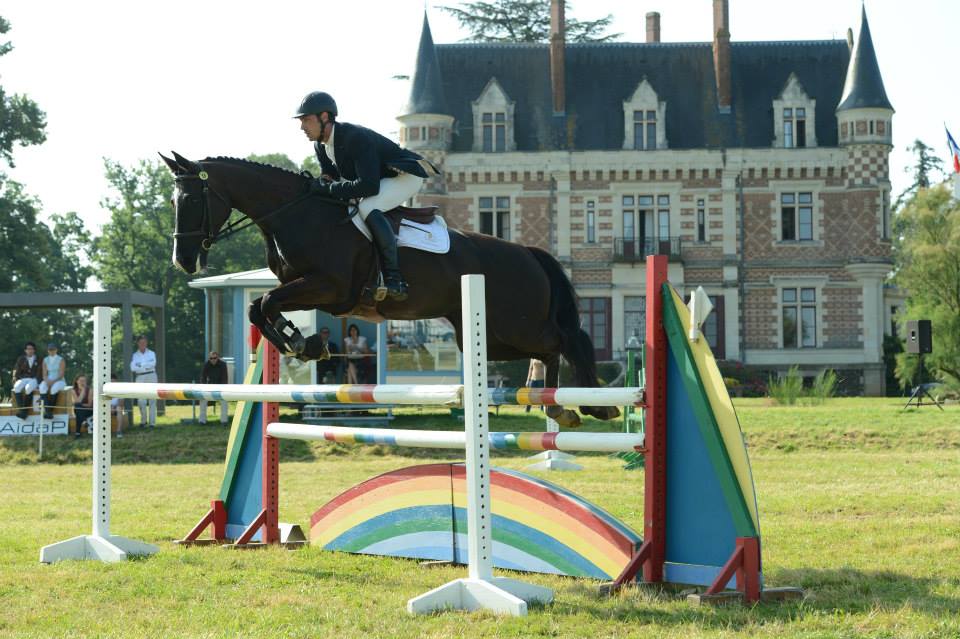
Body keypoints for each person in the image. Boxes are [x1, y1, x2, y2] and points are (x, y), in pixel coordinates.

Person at [294, 91, 440, 302]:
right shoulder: (320, 145)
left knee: (368, 207)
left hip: (405, 176)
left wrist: (328, 189)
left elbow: (368, 187)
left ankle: (394, 278)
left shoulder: (355, 138)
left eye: (306, 120)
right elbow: (333, 178)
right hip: (379, 179)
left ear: (324, 117)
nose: (302, 127)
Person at [130, 335, 157, 428]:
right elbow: (133, 368)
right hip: (140, 377)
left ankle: (152, 423)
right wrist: (146, 365)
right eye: (141, 342)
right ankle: (143, 421)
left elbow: (153, 364)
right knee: (141, 400)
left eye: (144, 342)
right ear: (138, 343)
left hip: (151, 375)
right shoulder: (135, 355)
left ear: (146, 343)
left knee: (152, 399)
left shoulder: (152, 353)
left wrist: (140, 365)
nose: (143, 344)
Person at [12, 341, 41, 419]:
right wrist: (14, 377)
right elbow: (16, 369)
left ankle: (23, 412)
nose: (30, 350)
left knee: (28, 388)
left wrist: (39, 380)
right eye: (28, 349)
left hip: (34, 379)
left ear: (34, 350)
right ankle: (23, 411)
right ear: (25, 350)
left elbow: (40, 371)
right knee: (16, 387)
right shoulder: (21, 358)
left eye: (31, 349)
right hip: (23, 378)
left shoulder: (39, 359)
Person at [199, 351, 229, 425]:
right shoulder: (206, 364)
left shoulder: (223, 364)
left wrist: (222, 390)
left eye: (214, 358)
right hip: (209, 387)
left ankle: (224, 421)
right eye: (211, 358)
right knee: (202, 399)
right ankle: (202, 421)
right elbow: (203, 377)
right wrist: (204, 388)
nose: (213, 360)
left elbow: (225, 378)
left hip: (220, 388)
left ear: (217, 358)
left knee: (224, 401)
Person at [39, 343, 66, 419]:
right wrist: (47, 381)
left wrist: (53, 382)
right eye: (50, 350)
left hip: (59, 380)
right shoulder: (45, 360)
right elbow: (44, 374)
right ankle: (49, 412)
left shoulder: (61, 359)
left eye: (53, 349)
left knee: (54, 389)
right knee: (42, 387)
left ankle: (49, 411)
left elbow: (61, 374)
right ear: (48, 351)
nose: (52, 351)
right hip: (48, 379)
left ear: (56, 350)